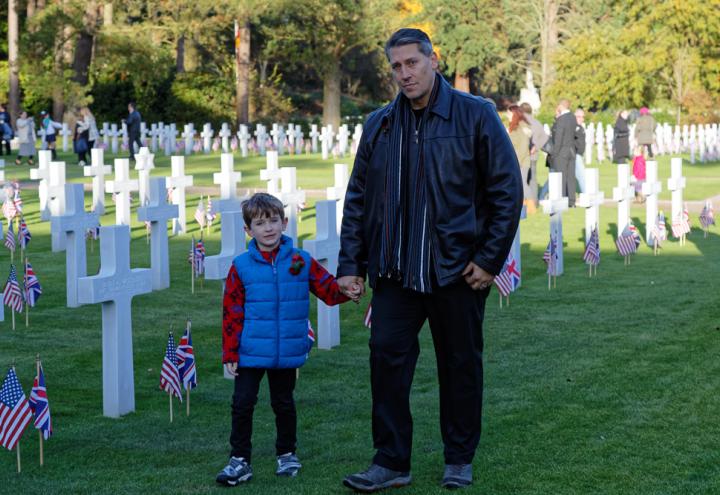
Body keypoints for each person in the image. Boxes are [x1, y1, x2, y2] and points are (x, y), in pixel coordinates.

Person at [337, 28, 522, 492]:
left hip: (456, 270)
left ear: (432, 60)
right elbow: (358, 198)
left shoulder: (475, 115)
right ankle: (390, 461)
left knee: (460, 364)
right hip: (396, 271)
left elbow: (506, 190)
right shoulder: (379, 125)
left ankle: (458, 459)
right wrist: (350, 264)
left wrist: (489, 259)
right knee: (386, 361)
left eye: (411, 63)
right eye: (396, 67)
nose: (404, 74)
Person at [216, 193, 355, 487]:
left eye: (274, 221)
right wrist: (230, 353)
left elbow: (328, 290)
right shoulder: (241, 266)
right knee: (242, 404)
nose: (268, 228)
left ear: (285, 223)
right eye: (260, 223)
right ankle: (239, 460)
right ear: (248, 230)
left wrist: (348, 289)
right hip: (251, 351)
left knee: (284, 403)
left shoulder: (300, 260)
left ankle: (287, 453)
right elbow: (231, 312)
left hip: (286, 351)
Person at [546, 99, 578, 206]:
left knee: (561, 177)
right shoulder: (573, 117)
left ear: (561, 106)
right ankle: (572, 200)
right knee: (571, 176)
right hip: (571, 151)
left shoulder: (561, 119)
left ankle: (563, 199)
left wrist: (554, 153)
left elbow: (558, 138)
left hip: (561, 152)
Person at [507, 104, 534, 213]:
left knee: (523, 184)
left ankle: (532, 208)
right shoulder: (514, 126)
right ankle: (522, 205)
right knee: (518, 185)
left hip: (521, 162)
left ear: (514, 113)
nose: (507, 115)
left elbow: (523, 147)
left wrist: (516, 162)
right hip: (516, 161)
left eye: (509, 113)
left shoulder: (521, 127)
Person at [520, 102, 547, 207]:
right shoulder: (537, 122)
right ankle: (534, 202)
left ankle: (526, 203)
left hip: (524, 155)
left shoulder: (523, 122)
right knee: (533, 179)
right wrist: (536, 147)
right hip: (534, 155)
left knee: (523, 179)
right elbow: (544, 138)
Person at [574, 108, 587, 194]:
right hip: (575, 155)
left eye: (582, 117)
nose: (581, 119)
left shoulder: (581, 127)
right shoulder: (573, 127)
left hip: (579, 154)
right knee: (582, 175)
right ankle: (586, 193)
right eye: (578, 116)